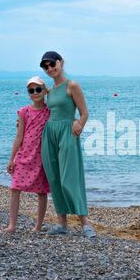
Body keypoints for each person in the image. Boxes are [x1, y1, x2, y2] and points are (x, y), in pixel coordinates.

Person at [40, 51, 96, 238]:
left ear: (61, 62)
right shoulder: (48, 91)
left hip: (67, 133)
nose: (49, 68)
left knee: (69, 178)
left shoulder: (71, 86)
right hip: (49, 134)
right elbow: (42, 111)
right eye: (45, 66)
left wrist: (78, 124)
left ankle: (85, 224)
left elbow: (84, 112)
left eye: (52, 64)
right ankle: (62, 224)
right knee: (54, 178)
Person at [4, 76, 50, 233]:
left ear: (44, 90)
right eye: (31, 90)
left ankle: (38, 226)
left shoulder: (50, 112)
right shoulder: (24, 112)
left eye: (38, 89)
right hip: (24, 156)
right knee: (15, 189)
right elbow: (19, 136)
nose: (35, 92)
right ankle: (12, 225)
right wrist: (11, 159)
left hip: (41, 157)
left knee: (42, 192)